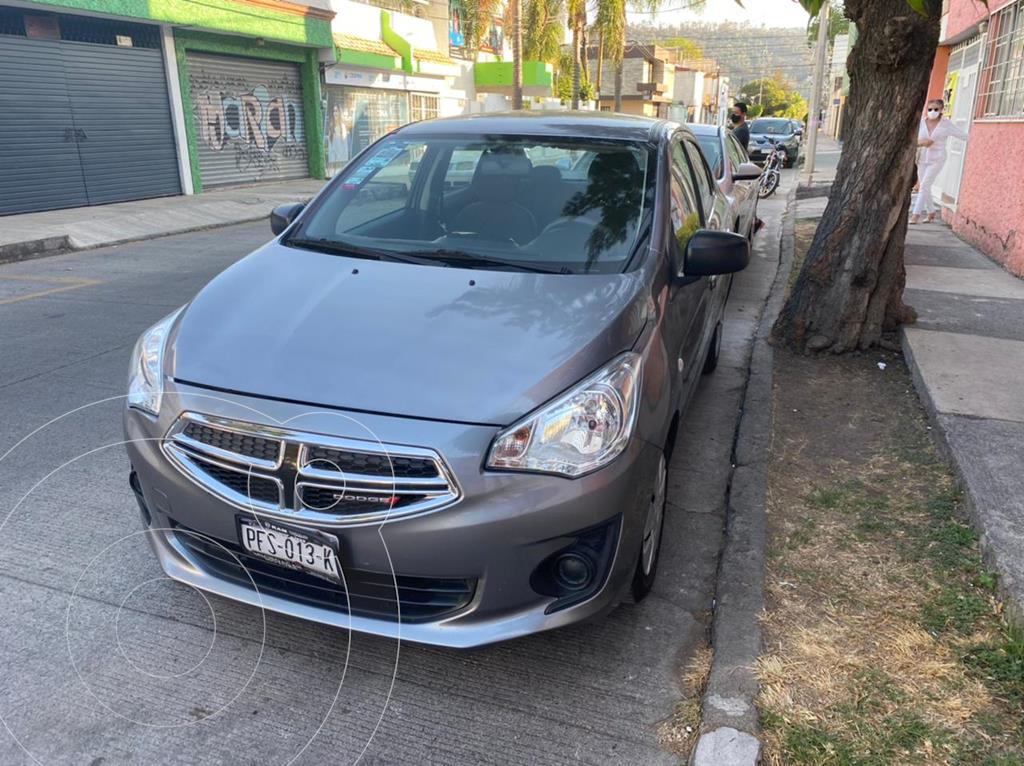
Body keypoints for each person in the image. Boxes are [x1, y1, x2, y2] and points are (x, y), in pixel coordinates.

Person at [911, 98, 968, 224]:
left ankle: (915, 215)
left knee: (924, 185)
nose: (932, 111)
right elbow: (912, 139)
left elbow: (963, 135)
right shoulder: (921, 123)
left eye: (936, 109)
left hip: (937, 158)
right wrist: (922, 143)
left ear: (941, 110)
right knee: (924, 187)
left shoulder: (945, 124)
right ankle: (931, 212)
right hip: (922, 158)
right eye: (930, 109)